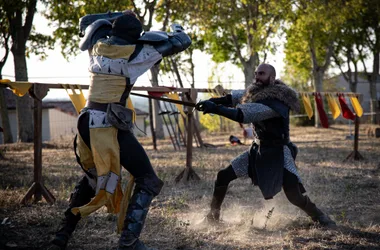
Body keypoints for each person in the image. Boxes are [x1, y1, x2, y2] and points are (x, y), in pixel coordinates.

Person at [52, 11, 191, 250]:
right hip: (107, 125)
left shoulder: (96, 45)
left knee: (92, 178)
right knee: (148, 180)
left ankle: (61, 236)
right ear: (136, 37)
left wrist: (116, 15)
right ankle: (129, 241)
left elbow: (84, 21)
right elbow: (181, 42)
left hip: (86, 121)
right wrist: (177, 29)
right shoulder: (136, 54)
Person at [196, 63, 336, 227]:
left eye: (261, 74)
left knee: (294, 196)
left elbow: (243, 114)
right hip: (257, 151)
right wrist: (213, 101)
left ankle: (320, 217)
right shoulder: (257, 92)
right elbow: (235, 98)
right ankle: (213, 217)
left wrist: (216, 108)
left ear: (272, 77)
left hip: (278, 153)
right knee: (223, 175)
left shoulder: (277, 102)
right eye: (256, 73)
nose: (257, 77)